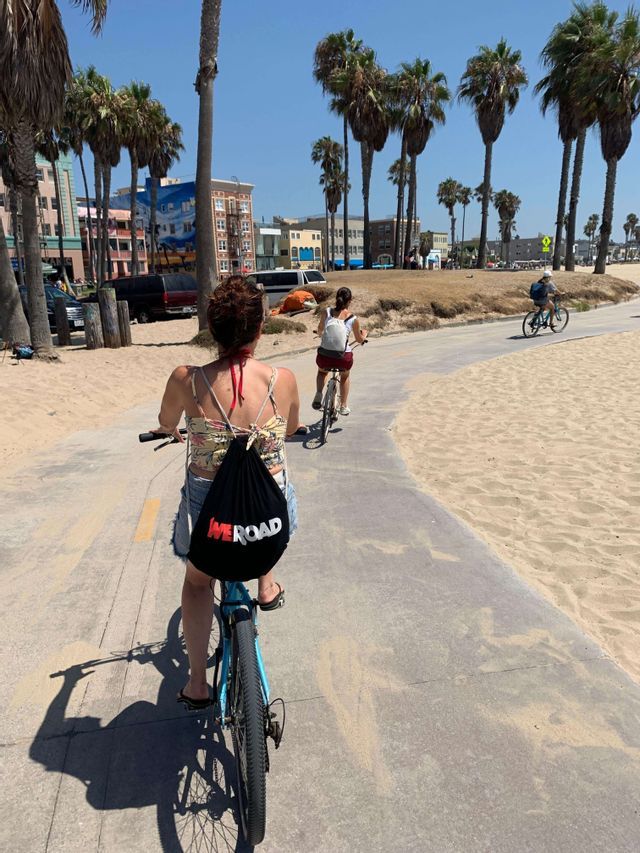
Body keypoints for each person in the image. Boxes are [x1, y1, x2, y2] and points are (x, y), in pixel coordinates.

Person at [151, 275, 300, 709]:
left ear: (211, 329)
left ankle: (197, 684)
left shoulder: (186, 378)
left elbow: (165, 420)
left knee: (199, 584)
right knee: (271, 491)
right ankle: (266, 584)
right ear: (260, 329)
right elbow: (290, 429)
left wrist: (173, 429)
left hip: (211, 518)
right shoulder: (283, 379)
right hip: (267, 521)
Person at [312, 286, 367, 416]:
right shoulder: (353, 319)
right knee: (345, 376)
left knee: (322, 372)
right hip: (343, 357)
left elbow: (320, 330)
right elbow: (359, 340)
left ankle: (319, 393)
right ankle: (343, 405)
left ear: (337, 298)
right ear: (350, 300)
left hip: (325, 355)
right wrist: (364, 336)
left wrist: (321, 334)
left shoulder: (327, 312)